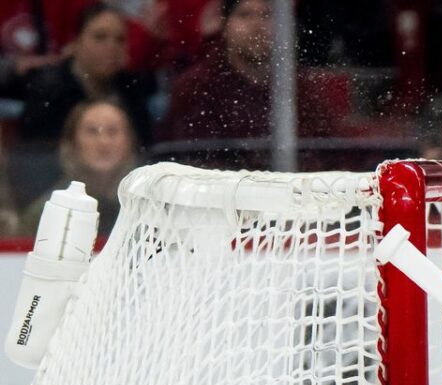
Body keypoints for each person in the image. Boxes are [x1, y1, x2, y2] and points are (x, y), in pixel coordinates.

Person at [158, 0, 340, 169]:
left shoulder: (302, 86)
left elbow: (328, 155)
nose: (257, 25)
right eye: (245, 15)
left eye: (267, 15)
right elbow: (193, 164)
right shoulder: (196, 86)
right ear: (225, 25)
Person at [12, 4, 153, 203]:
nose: (111, 46)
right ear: (75, 42)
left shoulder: (133, 91)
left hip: (125, 199)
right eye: (99, 37)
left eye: (120, 39)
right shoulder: (48, 91)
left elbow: (144, 155)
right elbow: (32, 164)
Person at [19, 96, 138, 237]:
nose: (103, 142)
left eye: (112, 131)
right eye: (92, 131)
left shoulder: (149, 207)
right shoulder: (47, 210)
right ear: (72, 143)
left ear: (130, 141)